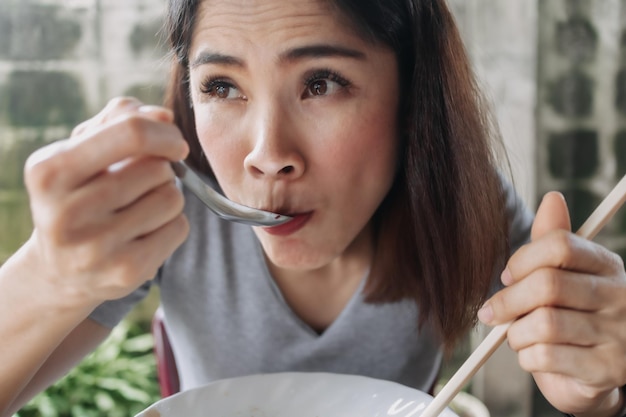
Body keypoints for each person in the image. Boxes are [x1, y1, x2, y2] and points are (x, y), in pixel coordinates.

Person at [1, 0, 625, 416]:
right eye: (222, 86)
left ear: (413, 97)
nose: (268, 156)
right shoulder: (163, 207)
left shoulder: (463, 199)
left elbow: (572, 339)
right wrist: (48, 277)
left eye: (321, 82)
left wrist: (598, 393)